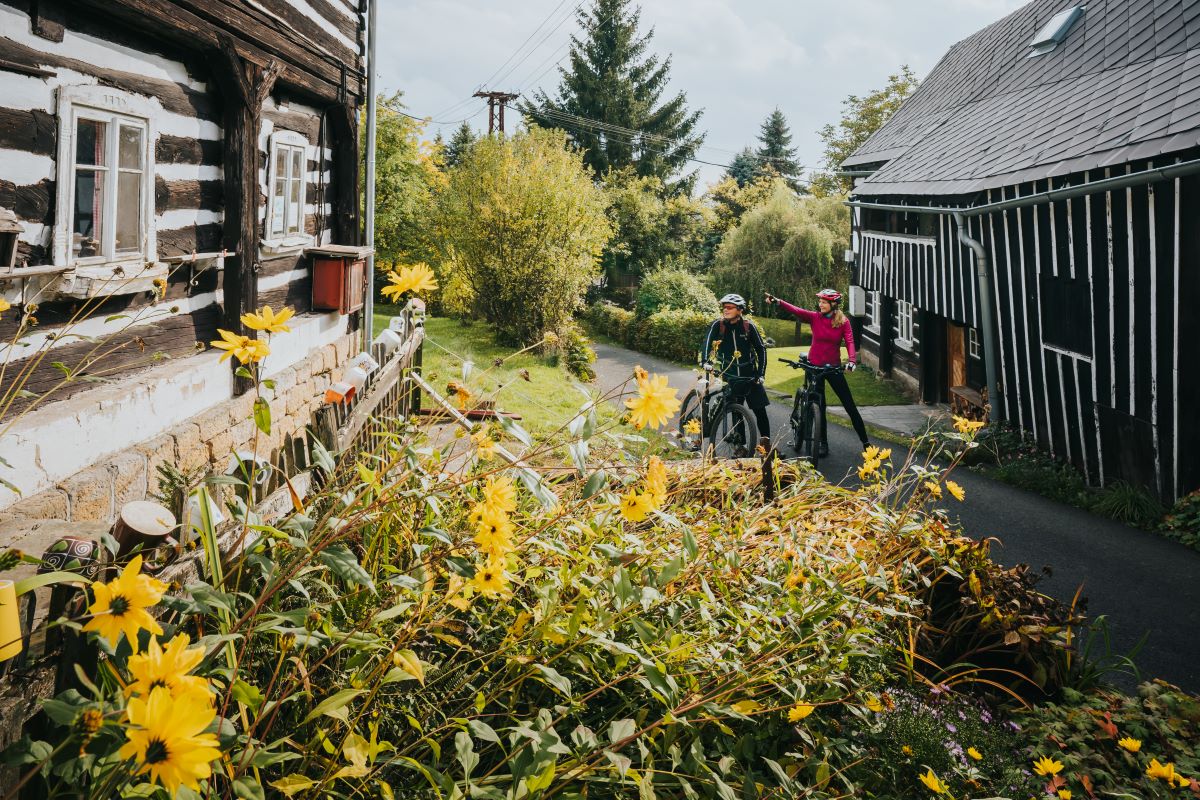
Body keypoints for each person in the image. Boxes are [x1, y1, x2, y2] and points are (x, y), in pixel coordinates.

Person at [764, 288, 869, 454]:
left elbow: (849, 341)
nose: (820, 304)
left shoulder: (843, 322)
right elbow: (796, 310)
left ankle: (866, 444)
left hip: (833, 368)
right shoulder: (815, 317)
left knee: (849, 406)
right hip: (814, 367)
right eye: (820, 301)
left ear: (833, 304)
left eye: (824, 302)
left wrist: (851, 360)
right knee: (820, 406)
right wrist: (778, 301)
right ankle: (823, 444)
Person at [701, 293, 771, 440]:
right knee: (736, 411)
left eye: (729, 307)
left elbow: (761, 349)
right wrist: (705, 361)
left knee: (760, 412)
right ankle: (741, 446)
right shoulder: (718, 325)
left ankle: (768, 446)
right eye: (724, 307)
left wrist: (761, 373)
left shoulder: (748, 326)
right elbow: (707, 342)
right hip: (730, 376)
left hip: (751, 376)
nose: (725, 310)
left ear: (739, 310)